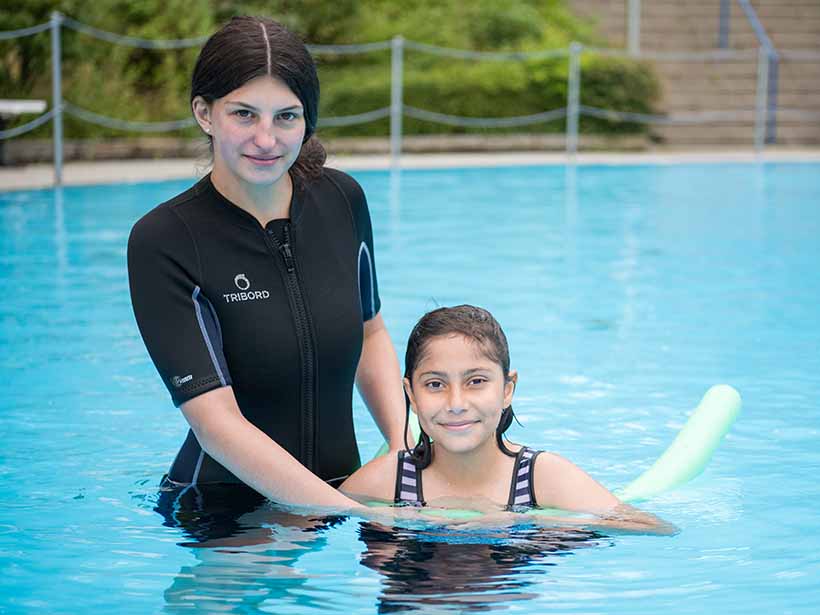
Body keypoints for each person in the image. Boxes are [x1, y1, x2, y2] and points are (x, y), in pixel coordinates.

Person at [127, 16, 405, 510]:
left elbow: (371, 333)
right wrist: (356, 514)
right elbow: (216, 425)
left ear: (308, 120)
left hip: (346, 493)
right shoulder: (165, 240)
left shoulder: (342, 200)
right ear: (204, 113)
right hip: (227, 511)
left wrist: (404, 449)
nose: (266, 139)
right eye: (244, 114)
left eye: (286, 116)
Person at [341, 305, 669, 529]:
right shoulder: (387, 482)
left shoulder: (540, 478)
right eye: (436, 384)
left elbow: (653, 528)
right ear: (411, 394)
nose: (456, 403)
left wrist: (521, 521)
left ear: (507, 389)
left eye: (476, 381)